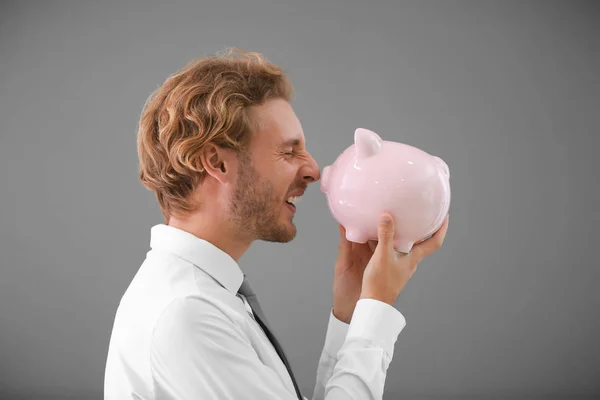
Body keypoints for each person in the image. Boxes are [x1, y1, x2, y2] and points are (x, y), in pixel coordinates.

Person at [103, 48, 449, 400]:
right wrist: (376, 312)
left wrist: (352, 312)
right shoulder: (188, 315)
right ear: (216, 163)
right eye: (289, 151)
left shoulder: (199, 297)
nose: (313, 170)